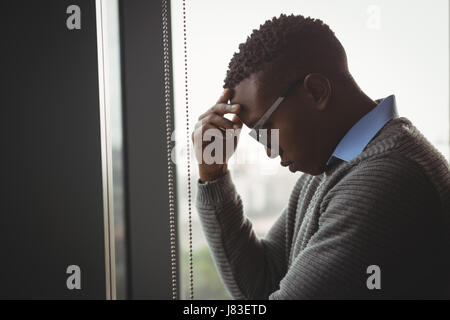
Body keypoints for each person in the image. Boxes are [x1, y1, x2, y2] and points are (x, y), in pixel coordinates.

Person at [191, 13, 450, 299]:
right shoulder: (335, 167)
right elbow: (262, 285)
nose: (269, 150)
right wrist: (213, 175)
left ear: (316, 91)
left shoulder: (387, 178)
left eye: (266, 130)